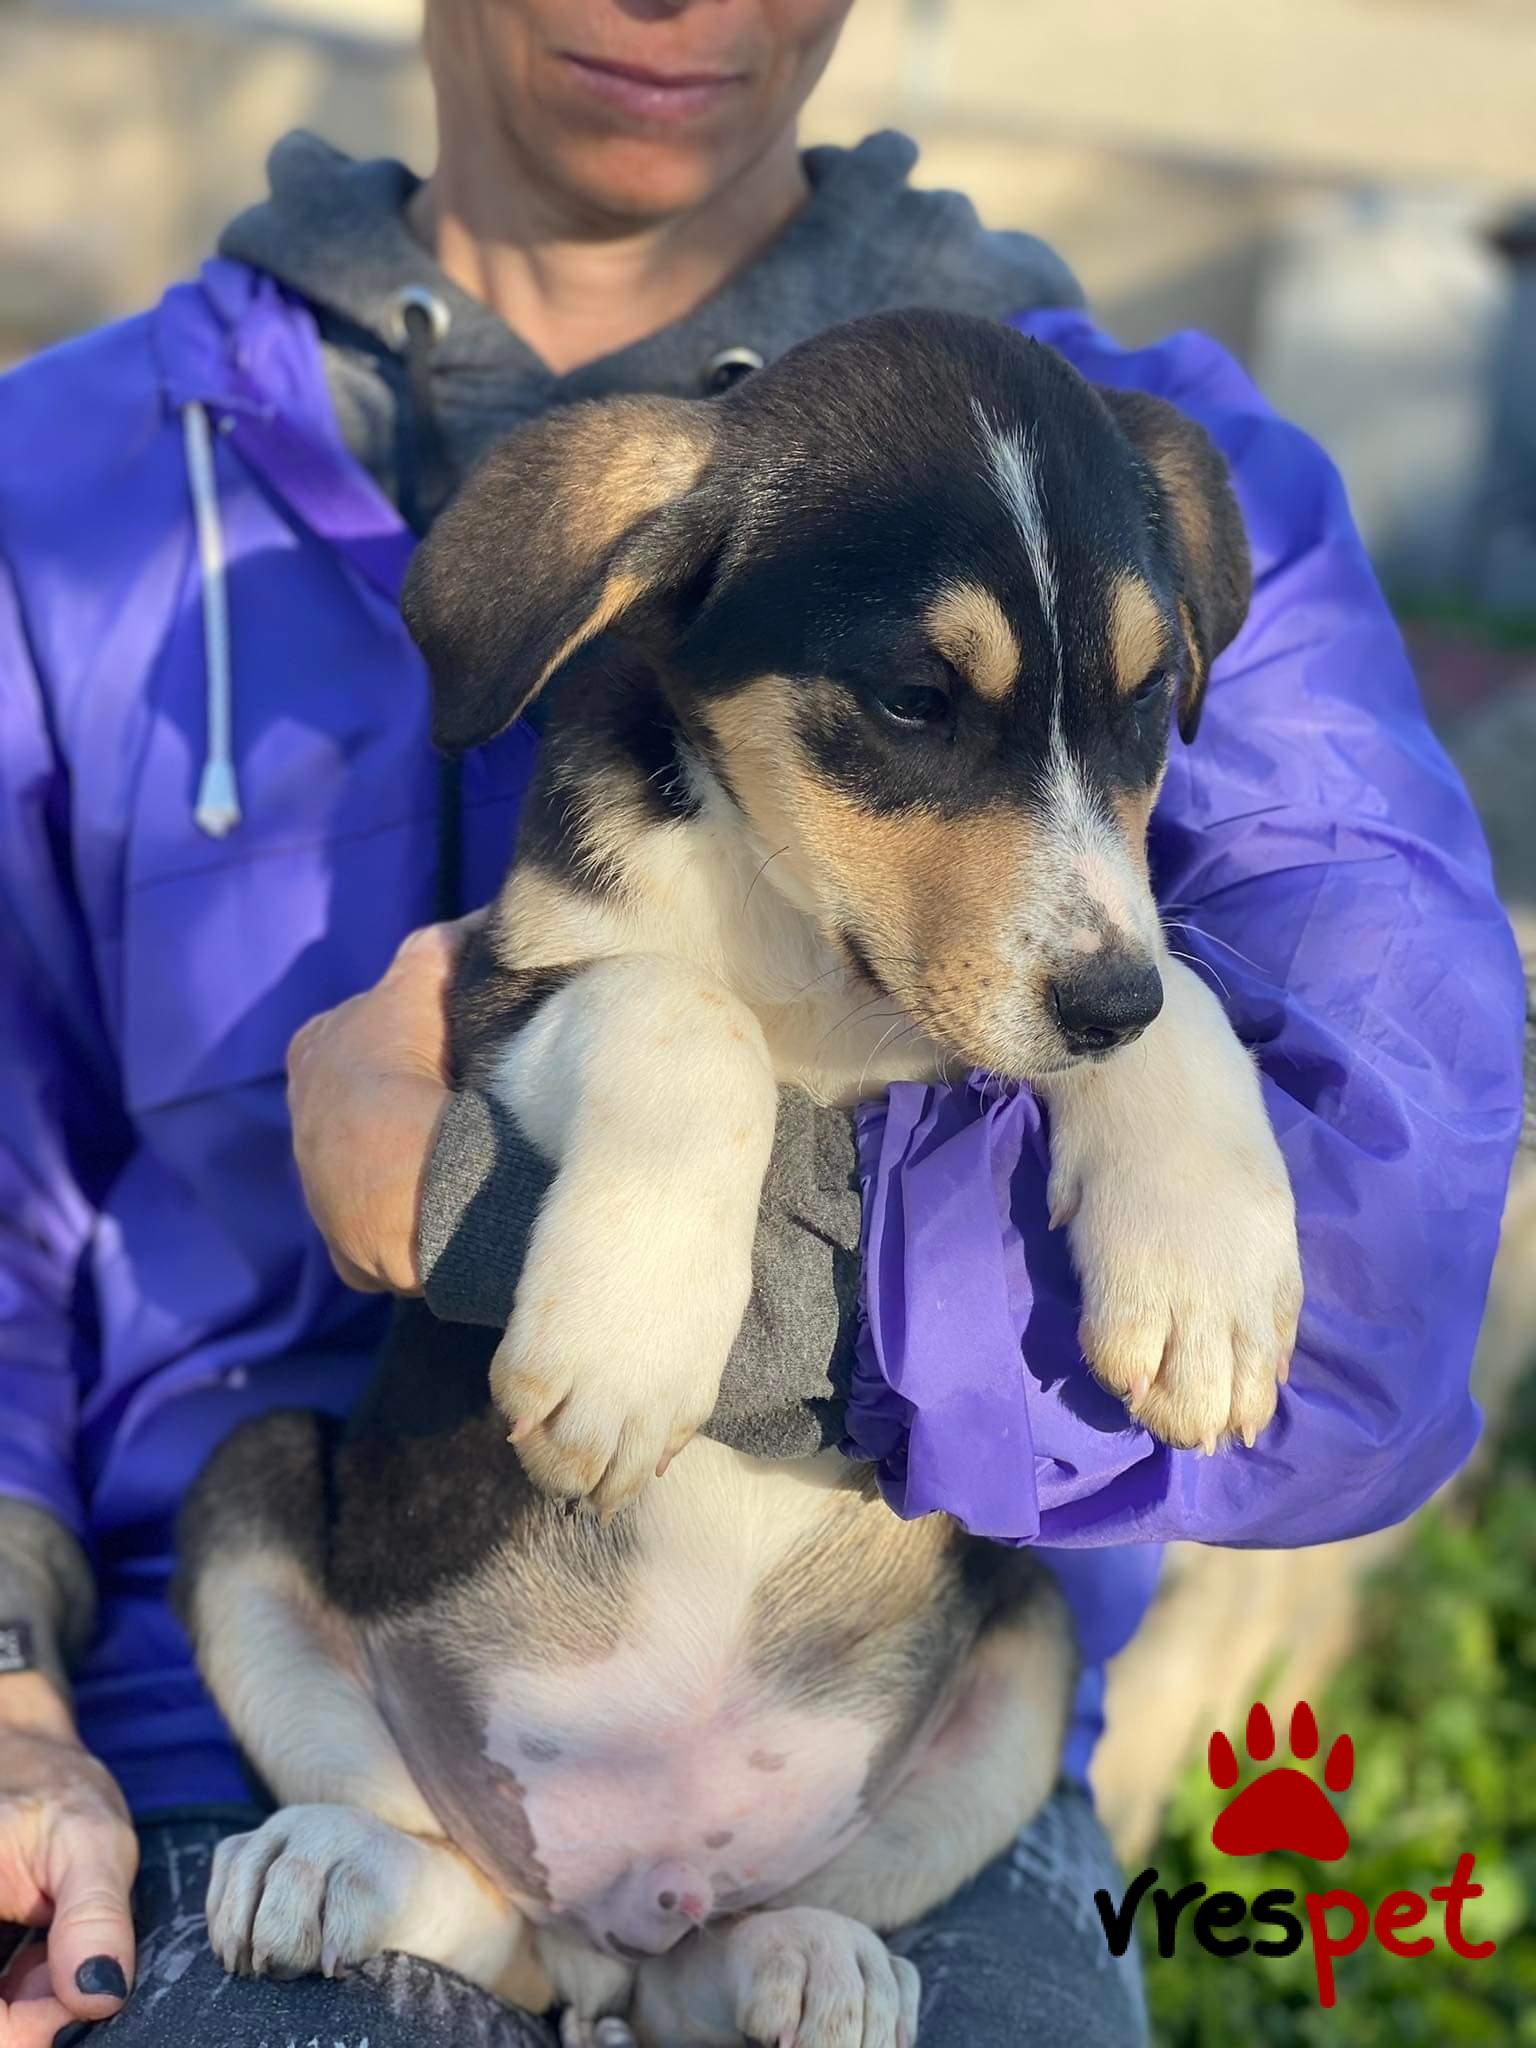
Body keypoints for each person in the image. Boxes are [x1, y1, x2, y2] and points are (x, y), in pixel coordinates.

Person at [0, 1, 1524, 2044]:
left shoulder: (1165, 470)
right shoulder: (64, 494)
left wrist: (493, 1201)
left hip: (883, 1760)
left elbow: (1372, 1306)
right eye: (914, 704)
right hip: (273, 1720)